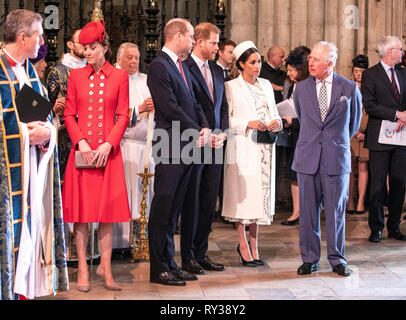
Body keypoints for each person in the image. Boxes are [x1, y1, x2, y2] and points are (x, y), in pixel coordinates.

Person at [0, 9, 68, 300]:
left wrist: (47, 135)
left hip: (30, 177)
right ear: (22, 36)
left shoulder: (29, 71)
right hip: (8, 180)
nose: (43, 41)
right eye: (38, 35)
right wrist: (28, 134)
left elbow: (45, 119)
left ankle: (24, 291)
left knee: (29, 230)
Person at [62, 20, 130, 292]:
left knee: (107, 214)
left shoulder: (120, 76)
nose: (88, 53)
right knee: (80, 214)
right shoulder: (76, 76)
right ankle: (82, 268)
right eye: (85, 48)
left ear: (105, 47)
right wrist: (81, 142)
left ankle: (106, 268)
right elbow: (68, 114)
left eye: (92, 48)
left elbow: (123, 115)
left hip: (107, 155)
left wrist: (108, 144)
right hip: (82, 153)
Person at [147, 18, 210, 286]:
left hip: (186, 145)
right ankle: (158, 268)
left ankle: (170, 263)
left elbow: (194, 102)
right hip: (170, 144)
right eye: (191, 36)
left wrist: (205, 127)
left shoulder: (180, 65)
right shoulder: (159, 66)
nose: (194, 41)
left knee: (174, 211)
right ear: (179, 36)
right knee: (163, 208)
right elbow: (170, 107)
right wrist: (197, 129)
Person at [293, 41, 362, 277]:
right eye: (310, 58)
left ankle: (337, 260)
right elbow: (303, 119)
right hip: (308, 157)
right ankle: (309, 259)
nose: (310, 63)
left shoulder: (350, 88)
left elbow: (353, 125)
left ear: (330, 64)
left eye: (316, 60)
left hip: (336, 158)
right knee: (308, 213)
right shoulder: (300, 89)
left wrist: (334, 143)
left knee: (336, 212)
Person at [222, 41, 283, 267]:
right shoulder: (231, 87)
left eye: (258, 62)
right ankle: (242, 243)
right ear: (241, 64)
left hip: (265, 146)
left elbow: (274, 111)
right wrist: (248, 123)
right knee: (244, 197)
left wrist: (276, 122)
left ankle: (255, 244)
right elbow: (226, 119)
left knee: (260, 197)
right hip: (243, 146)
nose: (258, 66)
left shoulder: (266, 84)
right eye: (253, 62)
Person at [182, 22, 228, 275]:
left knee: (209, 200)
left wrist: (222, 134)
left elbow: (222, 107)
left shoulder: (218, 71)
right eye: (213, 42)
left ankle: (201, 252)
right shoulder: (185, 68)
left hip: (216, 144)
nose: (217, 47)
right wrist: (205, 131)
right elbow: (188, 104)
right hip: (194, 141)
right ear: (199, 42)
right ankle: (187, 255)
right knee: (193, 200)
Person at [361, 36, 406, 242]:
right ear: (389, 51)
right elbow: (369, 105)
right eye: (400, 48)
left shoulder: (403, 73)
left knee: (399, 183)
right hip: (380, 136)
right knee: (378, 184)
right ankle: (376, 227)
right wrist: (397, 114)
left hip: (401, 135)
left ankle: (394, 226)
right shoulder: (370, 74)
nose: (402, 52)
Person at [115, 42, 155, 250]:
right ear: (119, 58)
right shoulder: (113, 79)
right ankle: (121, 243)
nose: (134, 62)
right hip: (124, 146)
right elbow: (112, 114)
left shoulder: (146, 81)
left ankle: (141, 241)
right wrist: (139, 109)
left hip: (145, 145)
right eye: (129, 58)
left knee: (143, 193)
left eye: (137, 58)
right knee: (125, 194)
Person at [280, 48, 310, 226]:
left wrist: (293, 121)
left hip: (306, 136)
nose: (289, 73)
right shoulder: (295, 86)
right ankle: (297, 212)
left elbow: (312, 118)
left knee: (303, 174)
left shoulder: (308, 86)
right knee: (293, 174)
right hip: (296, 136)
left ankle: (303, 212)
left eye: (291, 70)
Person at [347, 54, 369, 215]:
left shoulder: (371, 88)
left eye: (361, 71)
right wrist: (355, 130)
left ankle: (361, 201)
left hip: (366, 132)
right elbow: (345, 110)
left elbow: (371, 110)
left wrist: (363, 130)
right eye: (356, 71)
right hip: (351, 132)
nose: (359, 74)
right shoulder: (348, 87)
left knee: (363, 166)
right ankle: (350, 201)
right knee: (349, 167)